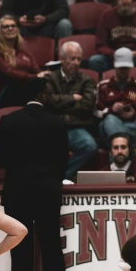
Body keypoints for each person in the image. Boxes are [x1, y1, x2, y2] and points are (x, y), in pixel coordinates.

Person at [0, 78, 69, 271]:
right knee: (52, 249)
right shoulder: (57, 123)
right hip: (47, 192)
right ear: (43, 94)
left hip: (18, 192)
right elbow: (64, 163)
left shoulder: (9, 121)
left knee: (20, 249)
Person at [41, 41, 98, 182]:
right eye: (72, 58)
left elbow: (87, 105)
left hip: (75, 127)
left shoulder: (87, 81)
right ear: (62, 59)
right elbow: (47, 101)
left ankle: (61, 176)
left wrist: (60, 103)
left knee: (89, 146)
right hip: (53, 126)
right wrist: (73, 98)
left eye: (79, 59)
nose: (76, 62)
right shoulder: (49, 78)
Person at [96, 47, 136, 147]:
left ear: (131, 67)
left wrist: (134, 115)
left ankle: (118, 151)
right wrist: (111, 109)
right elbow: (96, 111)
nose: (123, 71)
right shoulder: (103, 86)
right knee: (110, 119)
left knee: (131, 130)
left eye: (126, 68)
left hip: (132, 126)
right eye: (121, 68)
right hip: (108, 126)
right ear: (115, 66)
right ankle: (126, 151)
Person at [0, 15, 43, 106]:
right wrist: (35, 77)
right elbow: (9, 73)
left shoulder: (24, 52)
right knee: (18, 85)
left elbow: (36, 70)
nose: (10, 28)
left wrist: (42, 76)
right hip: (8, 90)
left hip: (28, 87)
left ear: (17, 29)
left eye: (13, 26)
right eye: (6, 27)